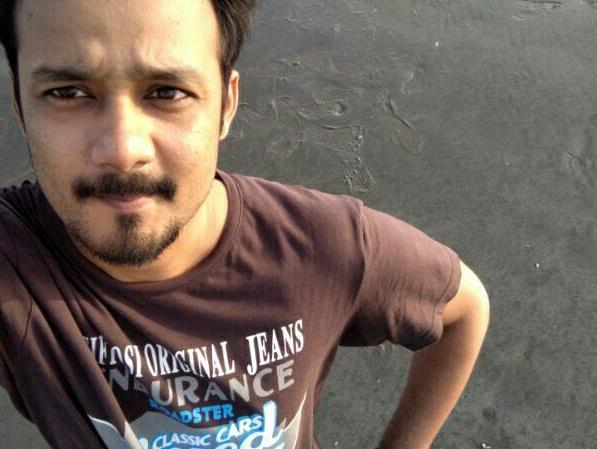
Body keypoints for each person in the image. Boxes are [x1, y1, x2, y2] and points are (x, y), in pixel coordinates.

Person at [0, 1, 490, 448]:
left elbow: (463, 308)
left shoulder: (319, 245)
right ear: (21, 107)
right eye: (66, 92)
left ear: (225, 106)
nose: (123, 149)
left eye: (167, 92)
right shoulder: (15, 263)